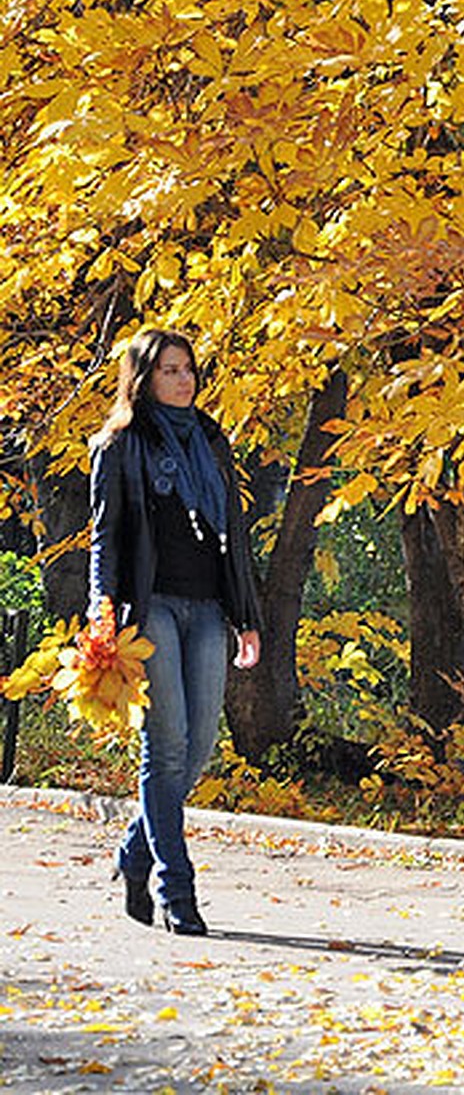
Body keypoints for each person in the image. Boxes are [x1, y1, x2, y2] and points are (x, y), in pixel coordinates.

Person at [89, 328, 262, 935]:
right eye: (169, 370)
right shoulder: (119, 446)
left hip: (210, 607)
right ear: (143, 379)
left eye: (188, 369)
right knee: (165, 748)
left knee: (197, 751)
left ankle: (134, 853)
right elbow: (105, 540)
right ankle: (176, 892)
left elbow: (233, 538)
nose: (184, 379)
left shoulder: (214, 442)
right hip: (151, 607)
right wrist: (102, 610)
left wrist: (247, 616)